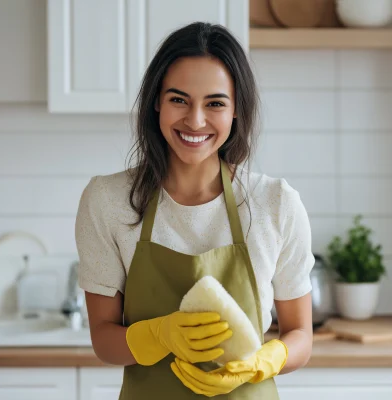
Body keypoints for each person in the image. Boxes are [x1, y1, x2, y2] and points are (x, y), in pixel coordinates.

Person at [75, 21, 315, 399]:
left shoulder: (276, 204)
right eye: (178, 99)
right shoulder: (107, 200)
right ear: (157, 101)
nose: (196, 120)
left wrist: (264, 361)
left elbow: (301, 334)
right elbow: (104, 340)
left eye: (215, 103)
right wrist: (159, 335)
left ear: (236, 109)